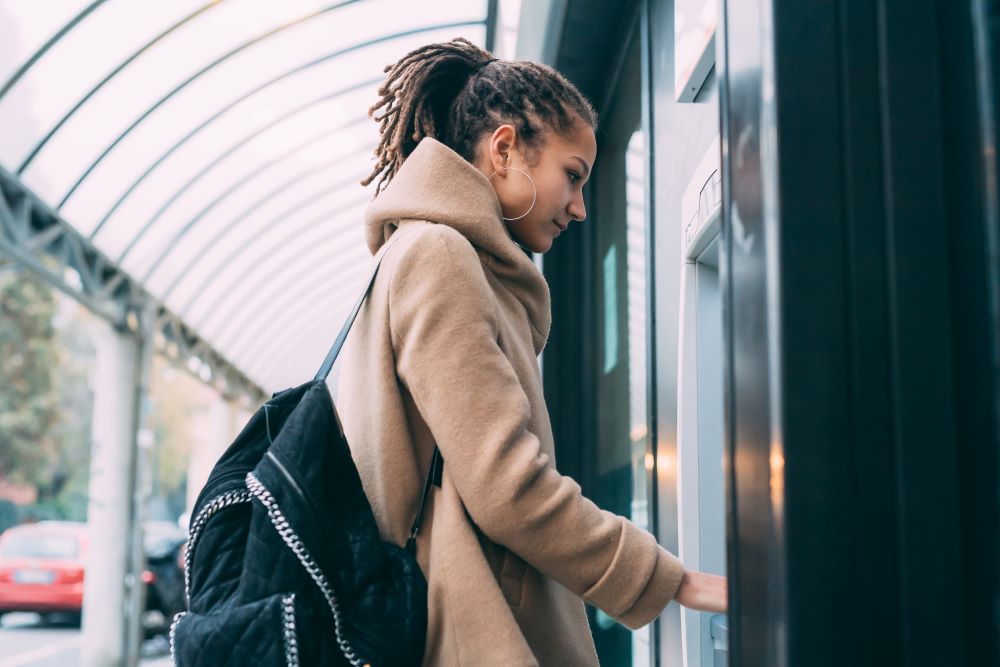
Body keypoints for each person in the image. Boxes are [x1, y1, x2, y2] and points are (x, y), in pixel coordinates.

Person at [336, 37, 726, 666]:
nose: (579, 207)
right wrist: (671, 579)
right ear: (505, 149)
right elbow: (509, 489)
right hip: (471, 637)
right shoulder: (439, 256)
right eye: (572, 176)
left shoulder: (429, 257)